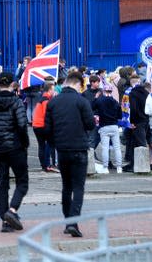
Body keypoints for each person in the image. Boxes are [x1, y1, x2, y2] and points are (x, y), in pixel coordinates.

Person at [44, 71, 95, 238]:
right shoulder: (82, 101)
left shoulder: (53, 102)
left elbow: (47, 129)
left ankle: (67, 221)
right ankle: (73, 222)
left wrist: (55, 142)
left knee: (66, 187)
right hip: (79, 148)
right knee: (78, 187)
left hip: (62, 149)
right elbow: (89, 124)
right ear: (78, 84)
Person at [0, 72, 30, 233]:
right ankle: (12, 210)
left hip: (0, 147)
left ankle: (5, 220)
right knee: (22, 181)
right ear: (12, 85)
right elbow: (22, 125)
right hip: (15, 147)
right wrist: (24, 142)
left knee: (2, 184)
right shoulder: (16, 102)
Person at [93, 85, 123, 174]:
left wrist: (95, 97)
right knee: (117, 148)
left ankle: (105, 167)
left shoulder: (100, 101)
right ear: (111, 92)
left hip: (104, 126)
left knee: (105, 148)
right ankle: (119, 167)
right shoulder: (115, 102)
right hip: (114, 126)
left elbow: (92, 106)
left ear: (103, 91)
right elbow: (120, 116)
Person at [32, 82, 58, 173]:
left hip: (36, 125)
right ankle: (47, 164)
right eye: (53, 89)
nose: (54, 91)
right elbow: (47, 115)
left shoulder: (41, 99)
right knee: (49, 145)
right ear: (50, 90)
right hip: (42, 125)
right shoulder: (46, 100)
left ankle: (43, 165)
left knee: (41, 146)